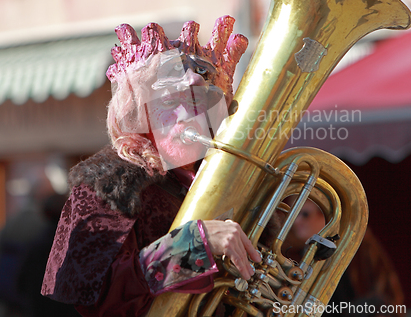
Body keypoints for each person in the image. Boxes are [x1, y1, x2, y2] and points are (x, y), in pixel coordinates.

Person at [41, 16, 261, 316]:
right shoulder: (105, 185)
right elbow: (100, 297)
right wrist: (194, 244)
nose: (188, 115)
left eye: (199, 103)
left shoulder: (228, 177)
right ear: (138, 113)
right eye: (170, 103)